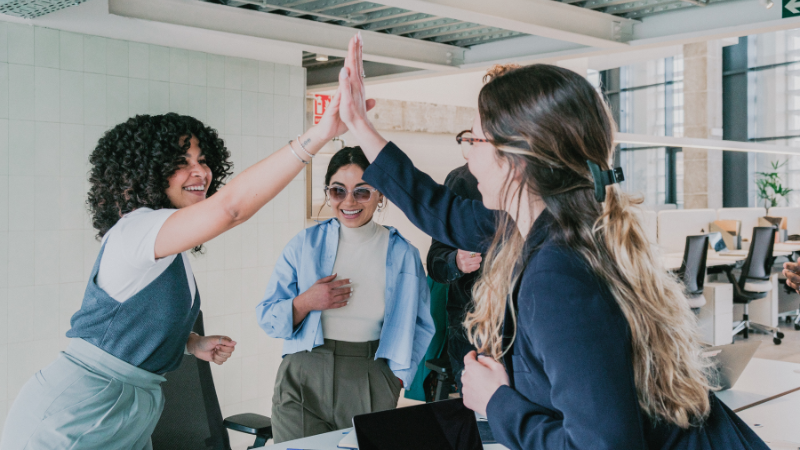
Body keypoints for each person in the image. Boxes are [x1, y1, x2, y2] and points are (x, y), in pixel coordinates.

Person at [332, 34, 769, 449]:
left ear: (517, 161)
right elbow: (441, 210)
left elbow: (603, 446)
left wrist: (496, 401)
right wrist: (359, 124)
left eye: (475, 139)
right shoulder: (565, 225)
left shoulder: (558, 274)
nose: (467, 152)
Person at [0, 76, 364, 450]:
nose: (200, 173)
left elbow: (131, 318)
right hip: (79, 410)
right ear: (147, 171)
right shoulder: (135, 230)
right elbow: (232, 209)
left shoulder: (167, 246)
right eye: (181, 163)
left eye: (202, 161)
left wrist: (190, 342)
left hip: (132, 406)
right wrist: (317, 136)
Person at [256, 146, 435, 443]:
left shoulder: (403, 253)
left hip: (370, 374)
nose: (349, 201)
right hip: (303, 374)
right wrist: (305, 302)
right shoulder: (303, 245)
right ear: (329, 193)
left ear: (380, 194)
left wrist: (398, 377)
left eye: (362, 192)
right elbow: (267, 317)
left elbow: (422, 324)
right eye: (338, 191)